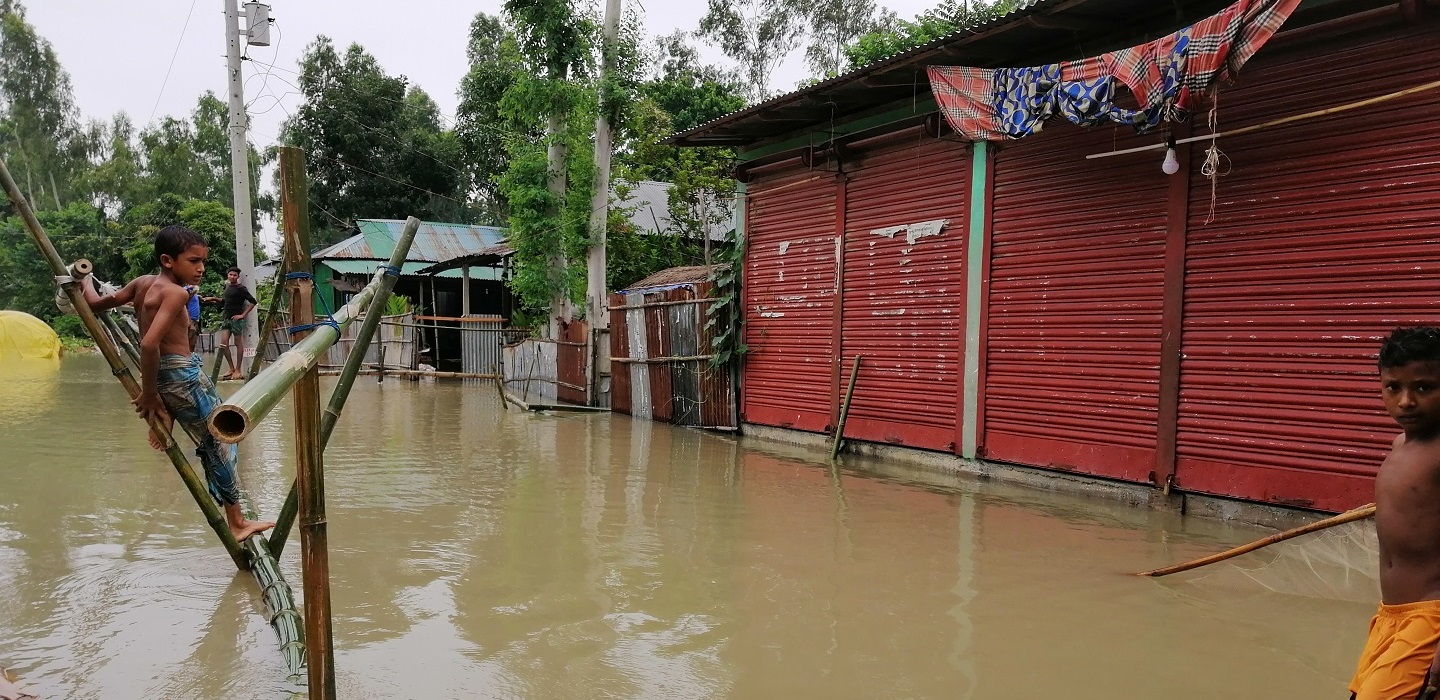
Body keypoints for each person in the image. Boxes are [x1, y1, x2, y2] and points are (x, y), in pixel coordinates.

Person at [77, 225, 274, 543]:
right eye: (193, 260)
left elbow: (96, 304)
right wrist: (150, 394)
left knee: (219, 435)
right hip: (181, 375)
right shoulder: (175, 293)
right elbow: (149, 345)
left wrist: (83, 280)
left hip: (174, 376)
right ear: (168, 260)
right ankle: (237, 522)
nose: (201, 268)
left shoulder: (143, 284)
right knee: (221, 442)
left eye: (203, 262)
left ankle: (168, 411)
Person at [1350, 326, 1440, 700]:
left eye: (1423, 387)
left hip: (1432, 619)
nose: (1406, 401)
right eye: (1393, 387)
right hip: (1391, 616)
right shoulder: (1400, 444)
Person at [205, 266, 256, 381]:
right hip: (226, 318)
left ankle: (238, 369)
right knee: (223, 344)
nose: (232, 277)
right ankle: (231, 368)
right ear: (227, 275)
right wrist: (212, 298)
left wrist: (242, 315)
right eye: (230, 275)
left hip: (236, 319)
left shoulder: (241, 288)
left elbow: (253, 302)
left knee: (238, 344)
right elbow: (225, 301)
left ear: (238, 277)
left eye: (235, 275)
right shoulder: (227, 287)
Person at [184, 284, 201, 353]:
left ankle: (191, 360)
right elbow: (184, 305)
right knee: (187, 343)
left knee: (193, 343)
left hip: (195, 320)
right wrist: (189, 322)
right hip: (190, 319)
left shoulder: (195, 294)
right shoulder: (188, 290)